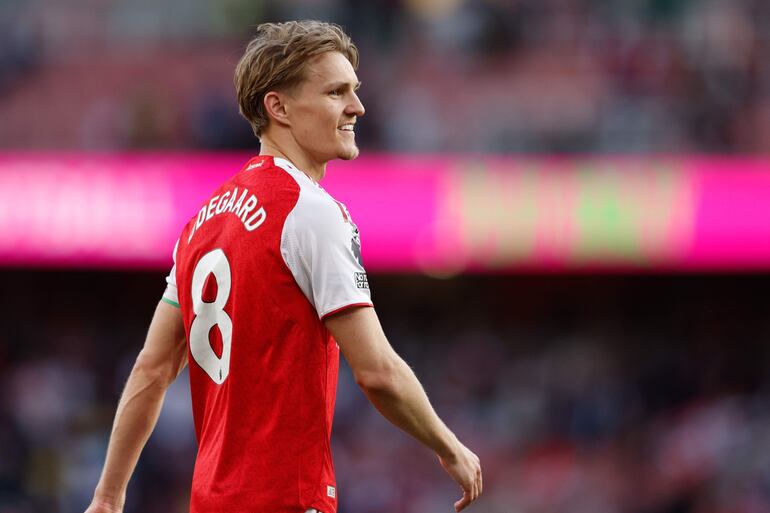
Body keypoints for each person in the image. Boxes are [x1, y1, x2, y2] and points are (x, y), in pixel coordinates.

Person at [85, 20, 482, 513]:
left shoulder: (201, 223)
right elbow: (377, 371)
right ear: (279, 107)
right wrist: (449, 446)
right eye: (336, 92)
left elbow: (151, 367)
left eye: (354, 91)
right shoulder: (311, 211)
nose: (357, 107)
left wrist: (107, 497)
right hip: (286, 499)